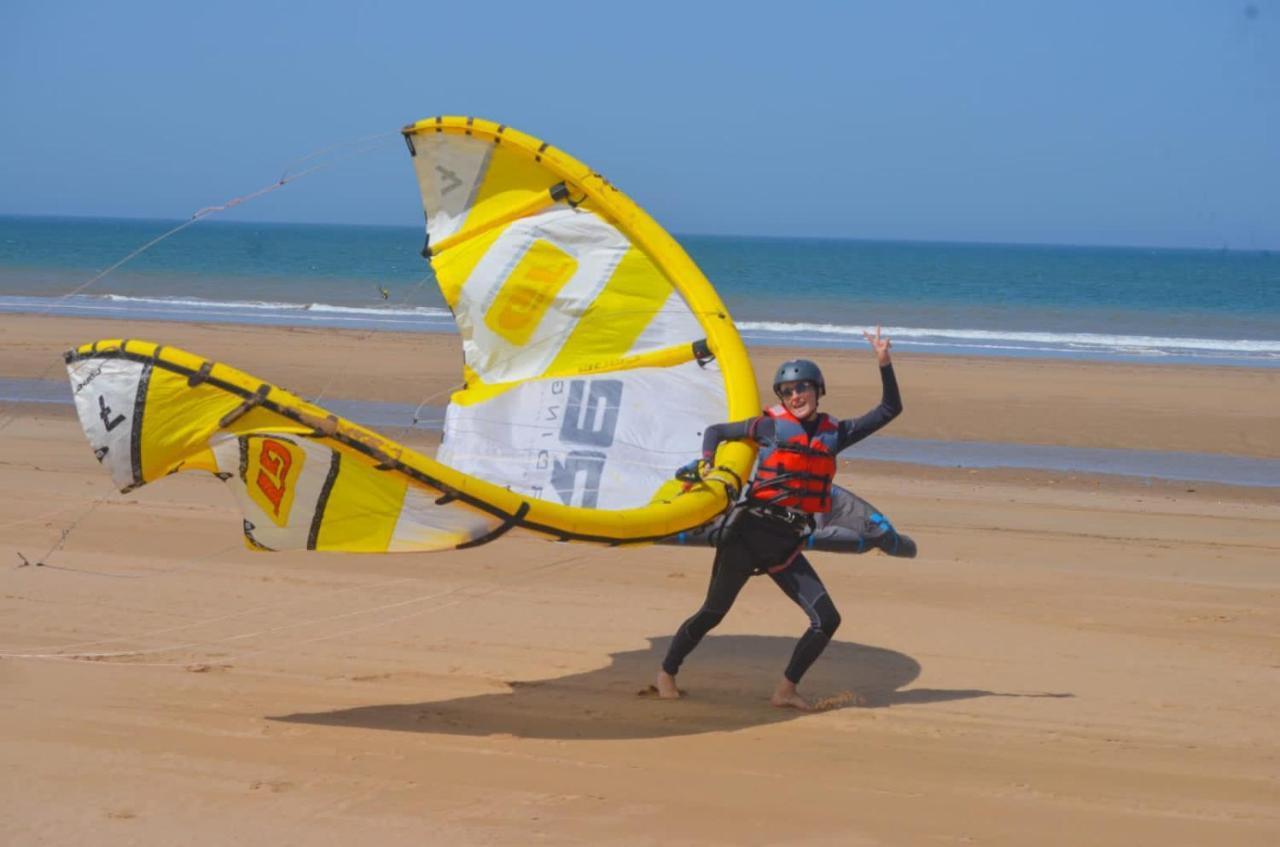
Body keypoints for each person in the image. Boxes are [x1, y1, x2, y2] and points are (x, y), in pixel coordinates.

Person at [656, 326, 903, 710]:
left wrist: (884, 363)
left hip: (786, 546)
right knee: (712, 613)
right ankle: (667, 673)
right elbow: (717, 431)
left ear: (818, 390)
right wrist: (708, 462)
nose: (795, 396)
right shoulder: (768, 426)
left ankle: (785, 690)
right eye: (787, 391)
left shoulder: (835, 433)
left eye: (803, 388)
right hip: (747, 537)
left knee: (827, 619)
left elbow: (890, 409)